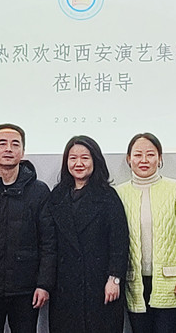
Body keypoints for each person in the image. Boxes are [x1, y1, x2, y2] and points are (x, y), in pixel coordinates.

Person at [0, 124, 56, 332]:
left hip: (26, 290)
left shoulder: (39, 191)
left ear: (22, 151)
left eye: (15, 144)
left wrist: (44, 284)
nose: (8, 149)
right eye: (2, 143)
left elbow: (48, 243)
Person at [47, 135, 129, 333]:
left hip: (100, 283)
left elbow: (119, 241)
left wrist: (114, 278)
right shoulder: (57, 195)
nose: (78, 163)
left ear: (95, 161)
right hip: (65, 286)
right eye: (73, 158)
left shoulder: (108, 196)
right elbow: (48, 243)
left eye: (85, 158)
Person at [116, 133, 176, 333]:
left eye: (150, 154)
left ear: (160, 158)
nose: (144, 160)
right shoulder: (118, 193)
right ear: (129, 159)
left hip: (171, 281)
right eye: (138, 155)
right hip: (133, 282)